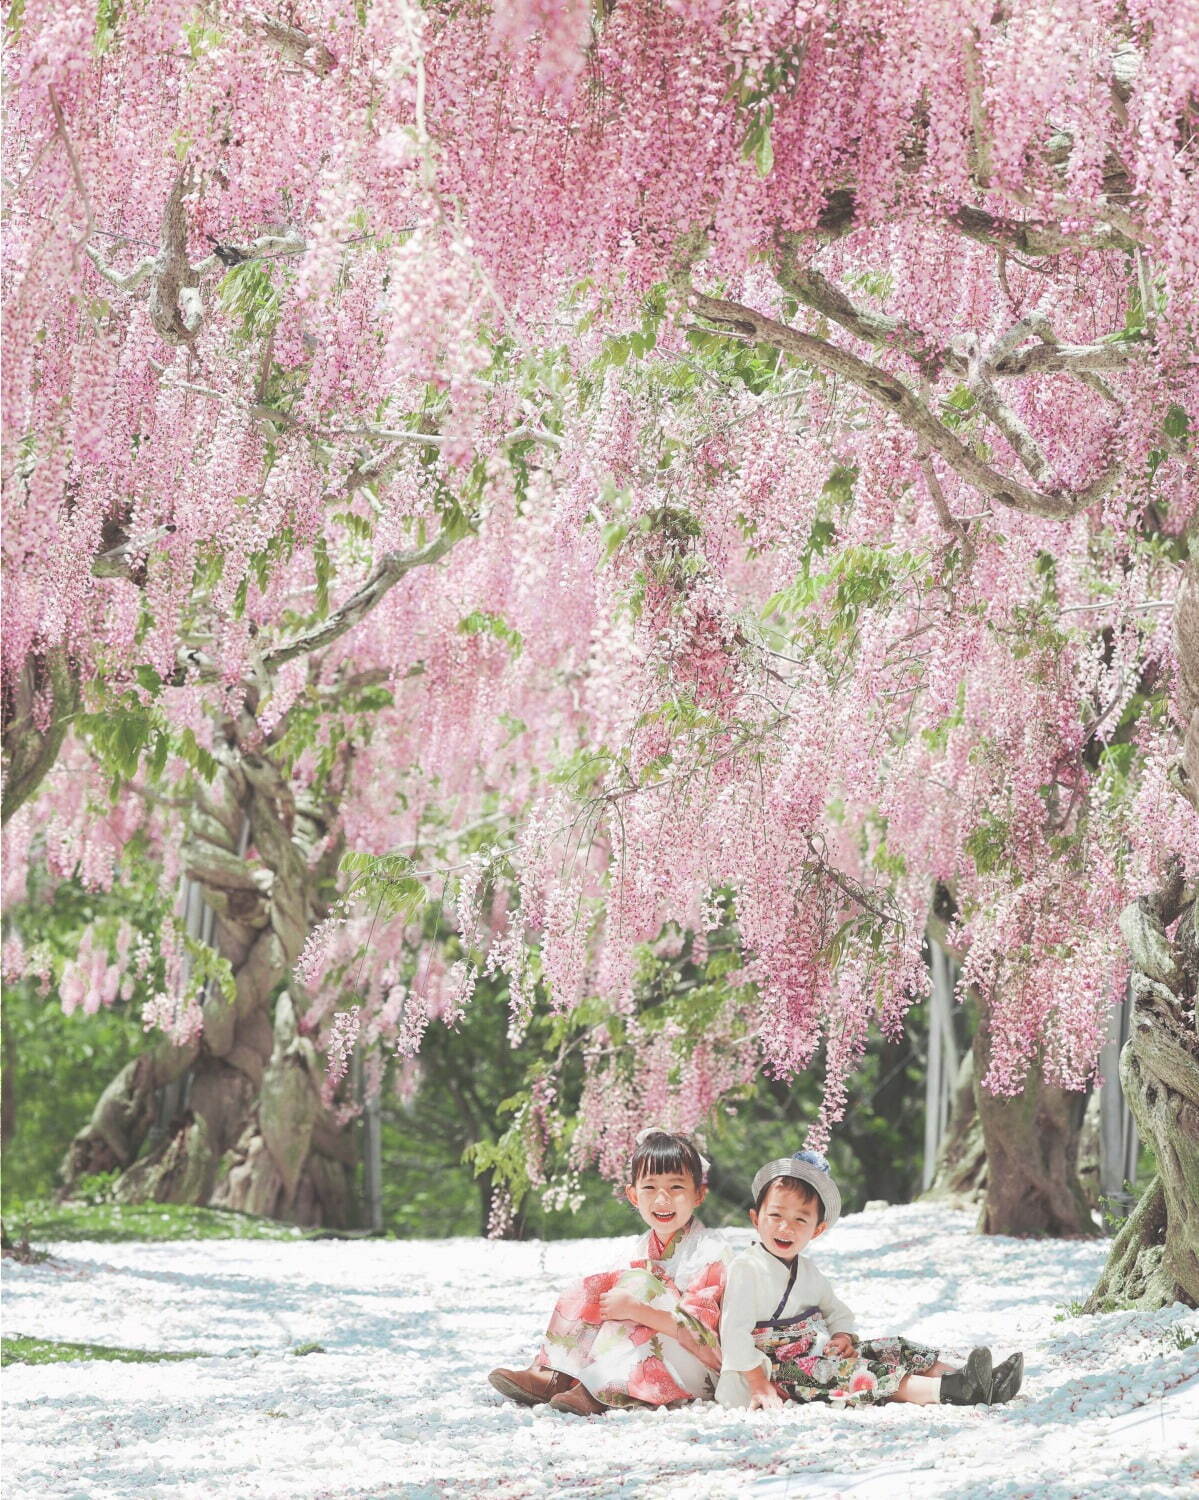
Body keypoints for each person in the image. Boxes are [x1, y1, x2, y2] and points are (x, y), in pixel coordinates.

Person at [716, 1149, 1025, 1410]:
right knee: (861, 1373)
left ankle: (977, 1379)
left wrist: (843, 1337)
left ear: (817, 1230)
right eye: (776, 1216)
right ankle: (953, 1391)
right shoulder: (747, 1268)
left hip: (818, 1352)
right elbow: (734, 1331)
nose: (786, 1228)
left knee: (895, 1348)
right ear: (756, 1219)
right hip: (777, 1371)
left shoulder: (807, 1271)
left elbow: (837, 1311)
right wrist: (757, 1383)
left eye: (800, 1219)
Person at [489, 1127, 732, 1416]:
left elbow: (703, 1335)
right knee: (595, 1286)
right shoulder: (638, 1248)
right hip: (655, 1352)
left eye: (676, 1187)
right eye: (650, 1187)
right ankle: (554, 1375)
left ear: (698, 1195)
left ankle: (599, 1388)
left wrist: (639, 1310)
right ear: (633, 1195)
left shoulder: (709, 1250)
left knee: (637, 1284)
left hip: (695, 1366)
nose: (662, 1199)